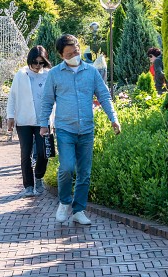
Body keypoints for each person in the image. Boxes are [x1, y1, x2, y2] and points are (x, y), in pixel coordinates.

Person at [38, 34, 121, 225]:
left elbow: (104, 96)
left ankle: (79, 210)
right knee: (66, 168)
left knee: (85, 172)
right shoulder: (55, 74)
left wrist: (113, 118)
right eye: (69, 53)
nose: (74, 54)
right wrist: (44, 123)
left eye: (76, 50)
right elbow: (47, 101)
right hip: (65, 128)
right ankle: (65, 202)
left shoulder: (91, 72)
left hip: (86, 129)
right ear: (61, 55)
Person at [6, 46, 54, 196]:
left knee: (43, 152)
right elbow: (12, 96)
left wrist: (54, 120)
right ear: (30, 60)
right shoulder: (21, 74)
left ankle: (39, 176)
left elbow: (55, 98)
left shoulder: (49, 75)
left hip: (43, 121)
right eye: (35, 62)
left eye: (41, 63)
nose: (38, 66)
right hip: (24, 119)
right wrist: (10, 116)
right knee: (25, 153)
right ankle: (28, 185)